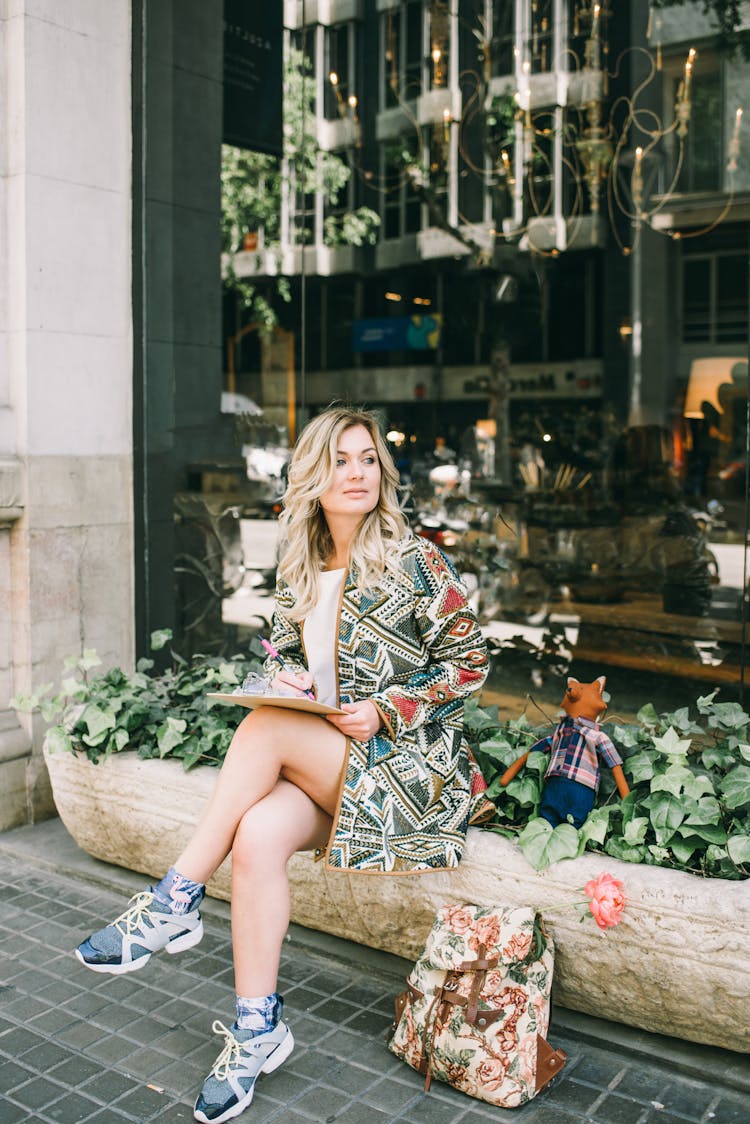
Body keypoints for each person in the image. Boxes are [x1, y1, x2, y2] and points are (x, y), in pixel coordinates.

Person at [75, 406, 491, 1124]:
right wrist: (292, 678)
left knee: (265, 731)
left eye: (367, 459)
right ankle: (256, 1028)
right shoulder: (299, 567)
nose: (357, 473)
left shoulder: (416, 560)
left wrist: (389, 708)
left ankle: (173, 900)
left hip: (409, 771)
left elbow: (471, 664)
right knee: (258, 838)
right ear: (312, 478)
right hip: (339, 766)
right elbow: (291, 659)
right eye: (340, 461)